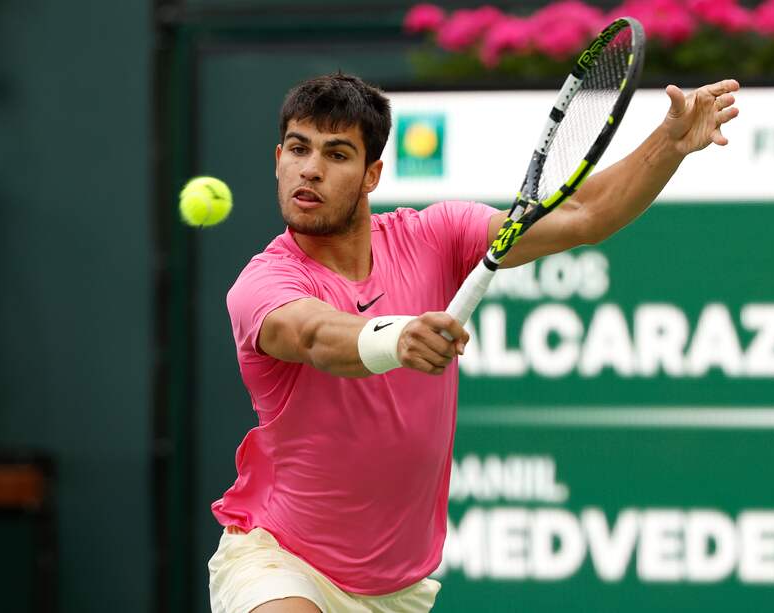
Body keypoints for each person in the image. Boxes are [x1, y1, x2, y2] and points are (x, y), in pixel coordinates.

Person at [208, 72, 740, 613]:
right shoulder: (263, 284)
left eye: (337, 154)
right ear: (278, 158)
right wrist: (397, 337)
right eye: (298, 149)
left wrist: (669, 144)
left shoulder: (436, 234)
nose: (311, 168)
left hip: (398, 588)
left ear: (372, 175)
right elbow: (316, 335)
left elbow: (582, 216)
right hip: (281, 558)